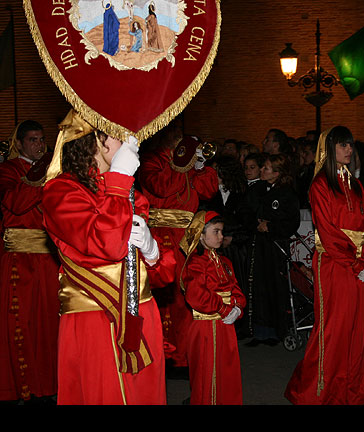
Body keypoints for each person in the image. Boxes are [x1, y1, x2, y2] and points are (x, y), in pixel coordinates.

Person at [40, 110, 175, 405]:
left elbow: (161, 278)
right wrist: (120, 178)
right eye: (117, 134)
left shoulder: (128, 193)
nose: (130, 141)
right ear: (91, 141)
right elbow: (108, 245)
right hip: (96, 319)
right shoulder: (61, 192)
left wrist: (153, 253)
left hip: (140, 315)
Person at [285, 126, 364, 405]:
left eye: (350, 145)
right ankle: (320, 389)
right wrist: (354, 261)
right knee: (334, 328)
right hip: (335, 264)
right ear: (329, 149)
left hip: (360, 263)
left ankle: (354, 388)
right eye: (342, 145)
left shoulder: (355, 183)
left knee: (358, 327)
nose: (348, 150)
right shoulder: (320, 185)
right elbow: (327, 232)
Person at [137, 123, 219, 376]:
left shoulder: (187, 160)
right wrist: (181, 163)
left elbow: (209, 189)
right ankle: (167, 354)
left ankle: (186, 355)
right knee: (166, 296)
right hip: (162, 235)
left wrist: (199, 167)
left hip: (187, 235)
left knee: (190, 293)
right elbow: (161, 187)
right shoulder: (152, 160)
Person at [0, 120, 59, 404]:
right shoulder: (8, 170)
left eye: (42, 139)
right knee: (18, 325)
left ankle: (45, 387)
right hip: (19, 260)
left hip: (48, 259)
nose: (39, 144)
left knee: (48, 325)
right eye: (33, 140)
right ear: (20, 143)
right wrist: (40, 177)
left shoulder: (52, 172)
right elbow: (15, 203)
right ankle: (18, 387)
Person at [179, 210, 245, 405]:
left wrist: (238, 307)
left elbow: (236, 288)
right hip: (206, 328)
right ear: (201, 233)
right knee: (207, 372)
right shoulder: (196, 263)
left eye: (222, 232)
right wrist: (225, 309)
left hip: (226, 326)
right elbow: (196, 295)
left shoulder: (225, 262)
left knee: (227, 369)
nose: (221, 236)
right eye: (216, 231)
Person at [243, 153, 300, 345]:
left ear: (277, 173)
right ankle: (260, 330)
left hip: (275, 245)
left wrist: (271, 226)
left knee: (275, 286)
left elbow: (291, 222)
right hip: (259, 245)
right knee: (259, 286)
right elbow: (249, 211)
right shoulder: (260, 189)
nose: (261, 170)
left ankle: (276, 330)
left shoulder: (286, 193)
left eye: (266, 168)